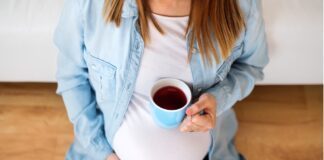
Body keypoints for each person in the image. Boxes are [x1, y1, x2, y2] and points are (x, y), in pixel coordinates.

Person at [54, 0, 269, 159]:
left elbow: (250, 66)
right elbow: (72, 78)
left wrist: (217, 99)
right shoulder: (90, 4)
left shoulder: (241, 5)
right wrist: (102, 153)